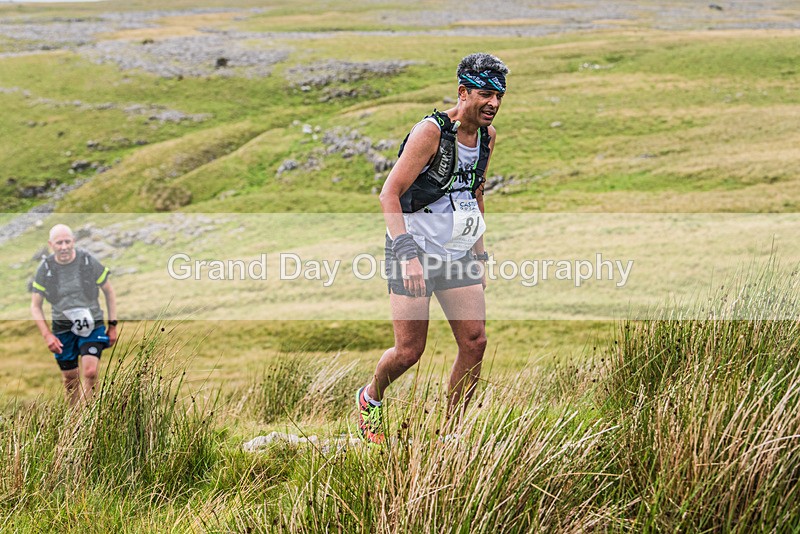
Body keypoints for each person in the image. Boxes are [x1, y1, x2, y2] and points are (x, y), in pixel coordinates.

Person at [357, 53, 508, 444]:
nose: (493, 103)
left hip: (458, 250)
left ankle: (450, 436)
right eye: (485, 94)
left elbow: (475, 194)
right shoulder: (431, 132)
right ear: (463, 92)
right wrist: (407, 255)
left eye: (499, 96)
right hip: (414, 248)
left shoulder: (488, 137)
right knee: (409, 351)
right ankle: (371, 398)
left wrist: (480, 254)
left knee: (475, 342)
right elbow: (389, 194)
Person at [30, 224, 118, 406]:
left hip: (92, 325)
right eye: (59, 243)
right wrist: (47, 335)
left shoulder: (88, 261)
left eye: (67, 242)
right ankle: (73, 418)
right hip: (63, 329)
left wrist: (112, 325)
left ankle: (89, 417)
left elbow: (109, 292)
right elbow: (35, 306)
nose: (64, 247)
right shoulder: (45, 269)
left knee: (90, 372)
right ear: (51, 245)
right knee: (70, 379)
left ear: (73, 241)